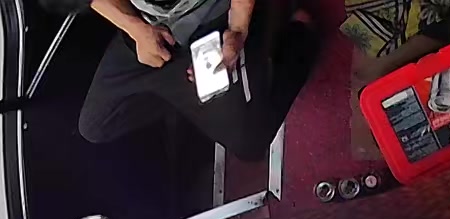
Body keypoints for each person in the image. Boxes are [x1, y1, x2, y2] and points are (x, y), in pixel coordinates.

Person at [41, 0, 317, 159]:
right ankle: (188, 95)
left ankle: (300, 35)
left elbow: (236, 24)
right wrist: (137, 29)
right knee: (96, 125)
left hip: (216, 16)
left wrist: (237, 29)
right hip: (146, 26)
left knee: (251, 144)